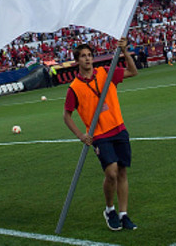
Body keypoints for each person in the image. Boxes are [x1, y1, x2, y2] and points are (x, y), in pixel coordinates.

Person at [63, 39, 138, 232]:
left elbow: (133, 71)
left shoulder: (106, 72)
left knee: (122, 172)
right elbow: (67, 116)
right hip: (99, 134)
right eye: (83, 56)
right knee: (111, 172)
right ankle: (109, 209)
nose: (87, 59)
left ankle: (124, 214)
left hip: (119, 128)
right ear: (77, 61)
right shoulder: (74, 88)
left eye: (89, 55)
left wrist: (125, 52)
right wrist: (81, 135)